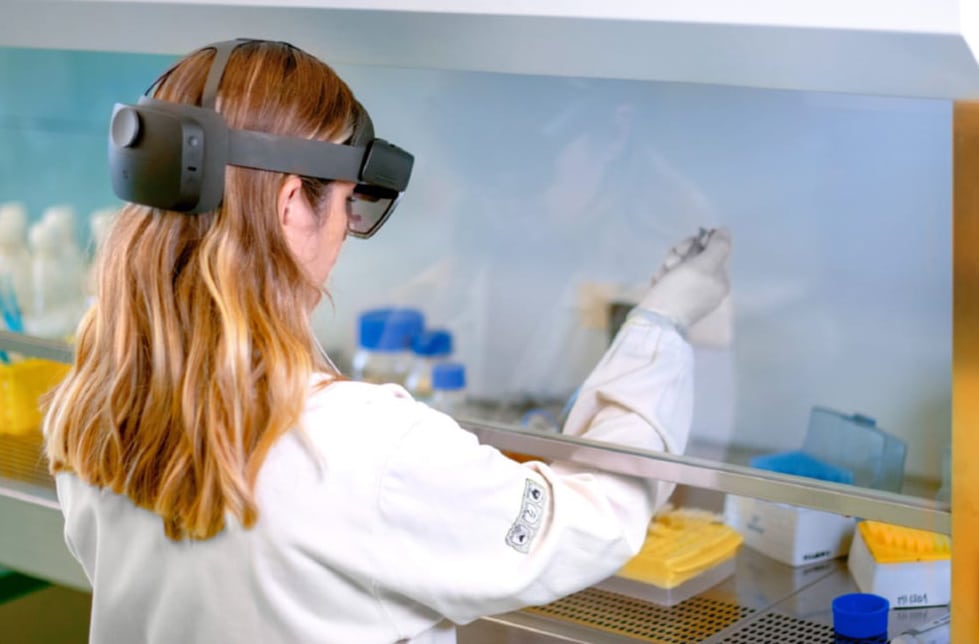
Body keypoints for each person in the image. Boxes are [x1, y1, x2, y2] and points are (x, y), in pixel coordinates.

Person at [42, 39, 732, 644]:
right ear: (290, 206)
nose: (346, 230)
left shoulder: (95, 406)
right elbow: (590, 522)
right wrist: (662, 326)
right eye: (349, 204)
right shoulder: (362, 450)